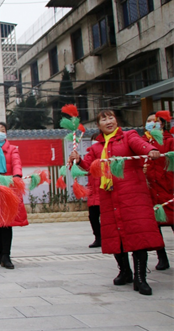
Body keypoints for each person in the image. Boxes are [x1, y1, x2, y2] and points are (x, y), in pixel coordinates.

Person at [69, 110, 164, 295]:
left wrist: (151, 150)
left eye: (111, 117)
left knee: (138, 236)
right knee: (115, 236)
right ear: (98, 125)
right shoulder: (97, 148)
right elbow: (88, 165)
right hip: (110, 197)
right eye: (103, 119)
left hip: (133, 196)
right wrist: (78, 159)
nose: (108, 121)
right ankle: (125, 271)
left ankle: (140, 278)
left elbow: (141, 145)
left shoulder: (129, 137)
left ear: (116, 121)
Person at [0, 122, 28, 269]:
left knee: (6, 222)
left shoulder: (13, 149)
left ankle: (6, 255)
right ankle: (0, 252)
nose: (0, 132)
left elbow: (16, 163)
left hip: (8, 188)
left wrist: (17, 176)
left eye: (3, 130)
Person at [141, 111, 174, 270]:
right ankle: (162, 258)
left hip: (168, 188)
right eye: (149, 121)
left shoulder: (170, 142)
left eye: (155, 121)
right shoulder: (141, 142)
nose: (152, 123)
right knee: (155, 227)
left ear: (162, 124)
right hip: (150, 191)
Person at [86, 133, 101, 248]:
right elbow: (83, 166)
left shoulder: (106, 156)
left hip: (104, 190)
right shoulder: (89, 156)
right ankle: (98, 237)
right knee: (93, 217)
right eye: (93, 140)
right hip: (93, 192)